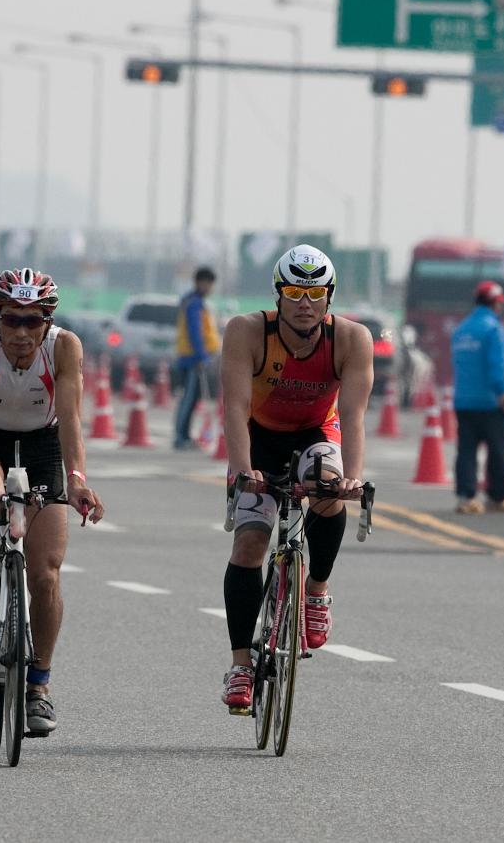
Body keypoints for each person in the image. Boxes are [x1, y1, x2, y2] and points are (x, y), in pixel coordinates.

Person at [0, 267, 104, 735]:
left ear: (48, 323)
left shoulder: (64, 348)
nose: (22, 333)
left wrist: (77, 481)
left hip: (44, 443)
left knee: (46, 572)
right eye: (12, 320)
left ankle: (39, 687)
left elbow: (70, 418)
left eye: (34, 321)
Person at [217, 245, 374, 714]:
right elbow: (235, 408)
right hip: (256, 437)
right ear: (277, 294)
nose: (304, 302)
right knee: (249, 544)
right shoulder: (247, 331)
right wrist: (245, 471)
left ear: (329, 296)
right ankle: (241, 665)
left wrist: (354, 478)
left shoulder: (351, 339)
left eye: (314, 293)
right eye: (293, 292)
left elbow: (353, 415)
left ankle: (317, 591)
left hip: (315, 433)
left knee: (330, 487)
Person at [451, 280, 504, 515]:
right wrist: (502, 392)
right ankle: (498, 496)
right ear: (495, 303)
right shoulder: (494, 330)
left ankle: (466, 496)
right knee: (497, 450)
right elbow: (495, 366)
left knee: (466, 451)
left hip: (463, 401)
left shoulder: (461, 330)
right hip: (489, 402)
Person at [173, 266, 221, 449]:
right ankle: (181, 437)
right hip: (193, 358)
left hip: (191, 357)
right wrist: (202, 356)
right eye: (208, 283)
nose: (210, 288)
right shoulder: (195, 303)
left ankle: (184, 435)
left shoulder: (192, 301)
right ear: (201, 282)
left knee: (190, 399)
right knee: (188, 399)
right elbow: (196, 332)